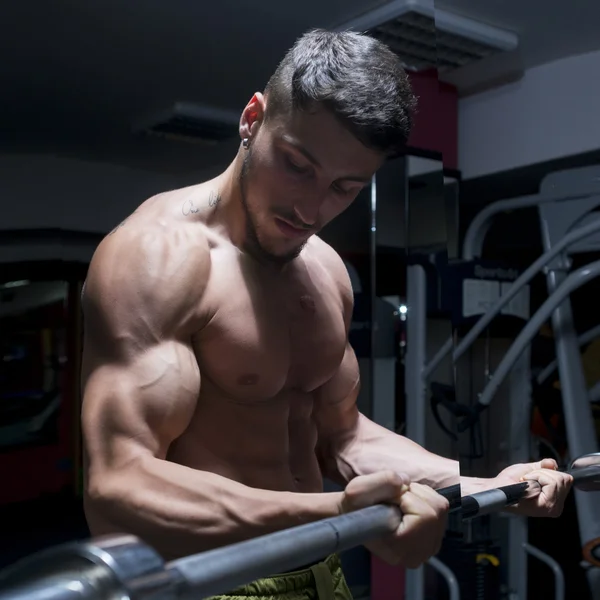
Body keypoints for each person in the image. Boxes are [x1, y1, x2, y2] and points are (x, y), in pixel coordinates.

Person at [80, 29, 573, 599]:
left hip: (321, 570)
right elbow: (119, 480)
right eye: (296, 165)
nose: (312, 209)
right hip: (205, 580)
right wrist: (337, 513)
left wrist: (484, 483)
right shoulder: (157, 258)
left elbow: (345, 436)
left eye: (344, 187)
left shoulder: (326, 270)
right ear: (252, 119)